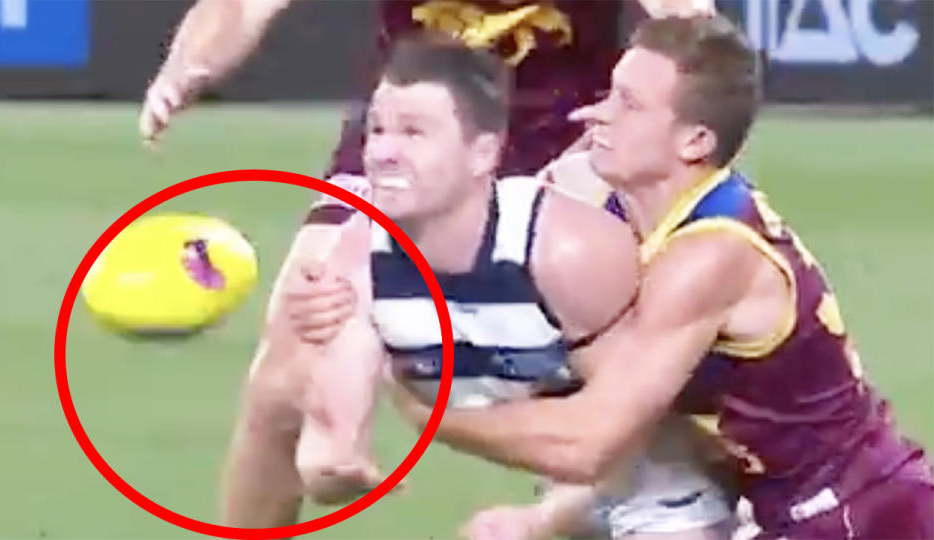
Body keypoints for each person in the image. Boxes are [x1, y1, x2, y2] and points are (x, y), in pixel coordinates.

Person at [136, 0, 716, 527]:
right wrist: (189, 65)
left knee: (631, 385)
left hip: (571, 149)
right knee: (284, 373)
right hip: (413, 138)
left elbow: (691, 34)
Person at [376, 15, 934, 539]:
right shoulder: (601, 204)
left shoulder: (710, 256)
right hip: (773, 509)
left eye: (629, 104)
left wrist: (434, 416)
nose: (597, 114)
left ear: (694, 142)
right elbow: (648, 430)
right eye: (610, 91)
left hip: (858, 515)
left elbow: (592, 439)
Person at [323, 34, 733, 539]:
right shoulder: (356, 254)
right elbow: (325, 453)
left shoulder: (572, 251)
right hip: (607, 489)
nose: (383, 152)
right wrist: (336, 451)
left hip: (723, 494)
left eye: (413, 132)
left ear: (484, 153)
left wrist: (432, 420)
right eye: (377, 130)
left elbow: (599, 441)